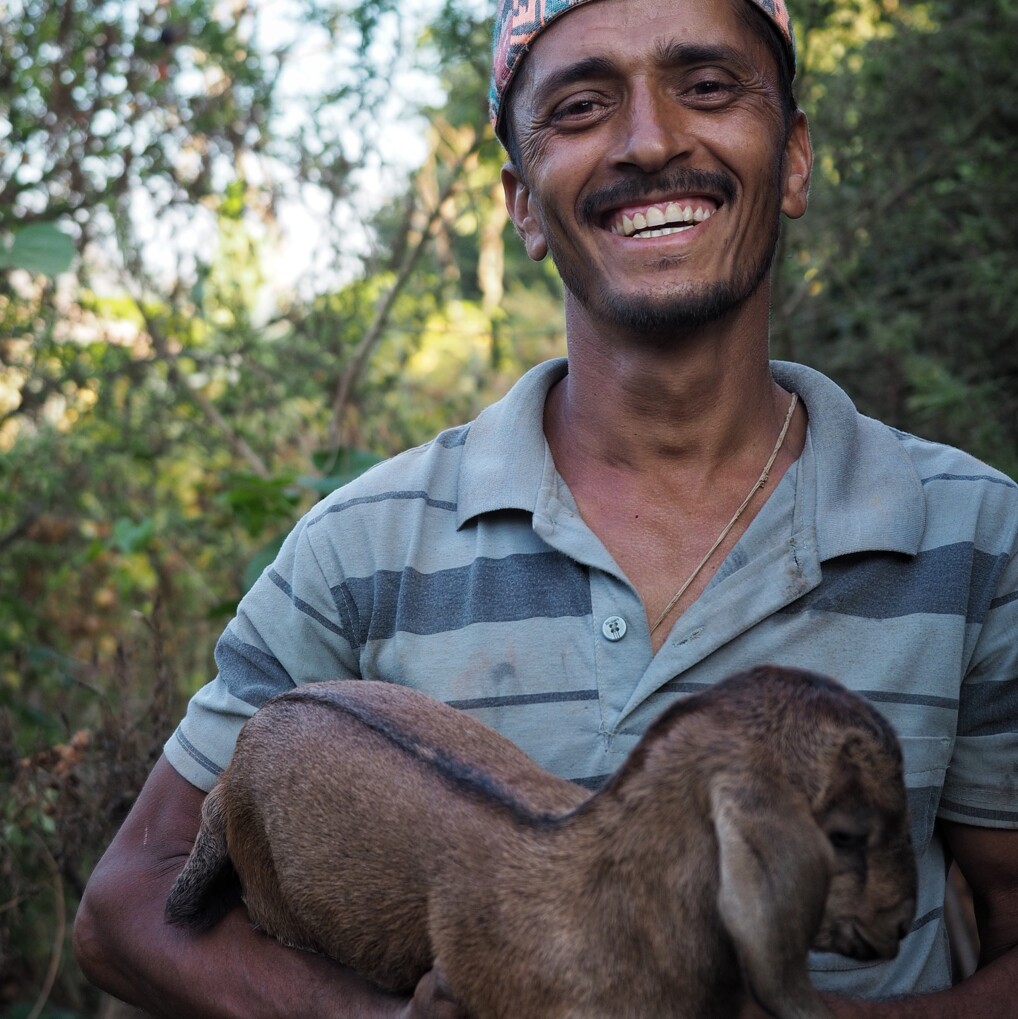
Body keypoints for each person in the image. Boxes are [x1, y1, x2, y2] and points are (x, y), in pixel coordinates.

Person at [74, 0, 1018, 1015]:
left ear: (791, 157)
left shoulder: (976, 535)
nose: (650, 140)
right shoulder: (363, 547)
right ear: (523, 203)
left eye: (706, 86)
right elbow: (130, 900)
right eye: (580, 105)